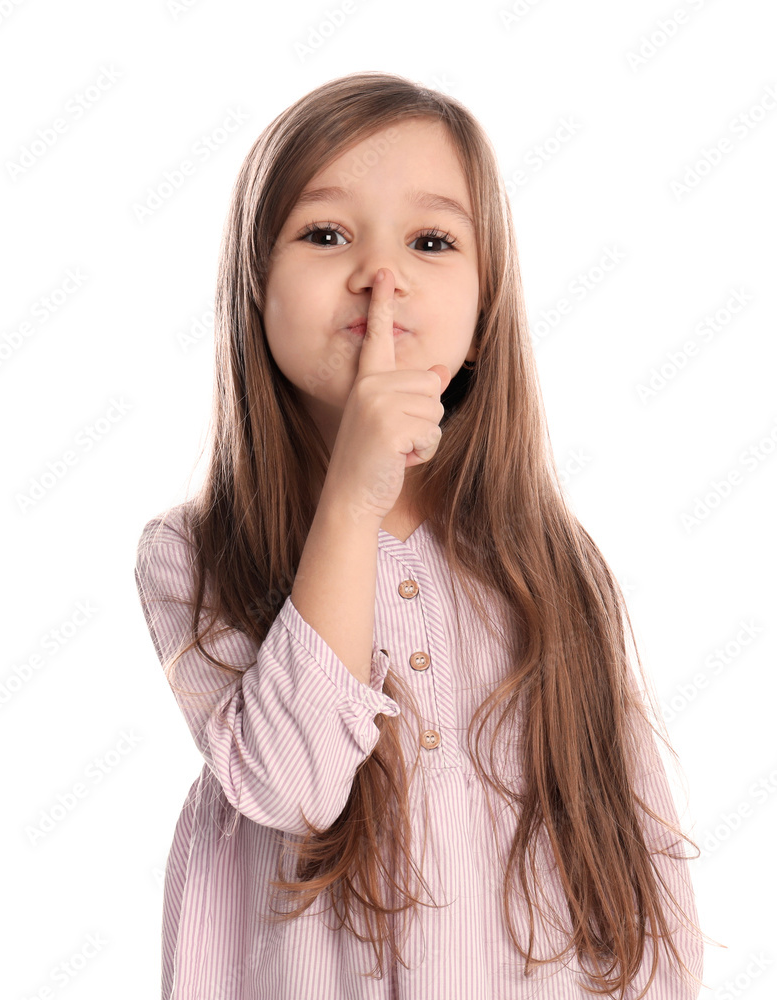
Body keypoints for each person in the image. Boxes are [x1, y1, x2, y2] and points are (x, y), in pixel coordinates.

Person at [134, 71, 713, 1000]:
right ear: (254, 291)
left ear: (482, 319)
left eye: (431, 241)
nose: (382, 273)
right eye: (325, 235)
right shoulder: (192, 552)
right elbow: (292, 785)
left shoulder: (549, 563)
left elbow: (641, 866)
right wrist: (354, 500)